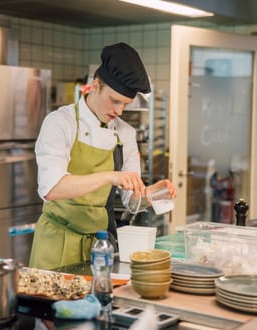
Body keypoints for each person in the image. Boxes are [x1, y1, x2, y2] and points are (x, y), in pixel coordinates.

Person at [29, 42, 176, 270]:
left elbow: (131, 202)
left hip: (100, 247)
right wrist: (110, 176)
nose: (119, 111)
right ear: (95, 86)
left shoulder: (125, 133)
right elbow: (52, 188)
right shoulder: (60, 123)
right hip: (57, 243)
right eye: (115, 100)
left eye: (125, 104)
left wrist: (152, 193)